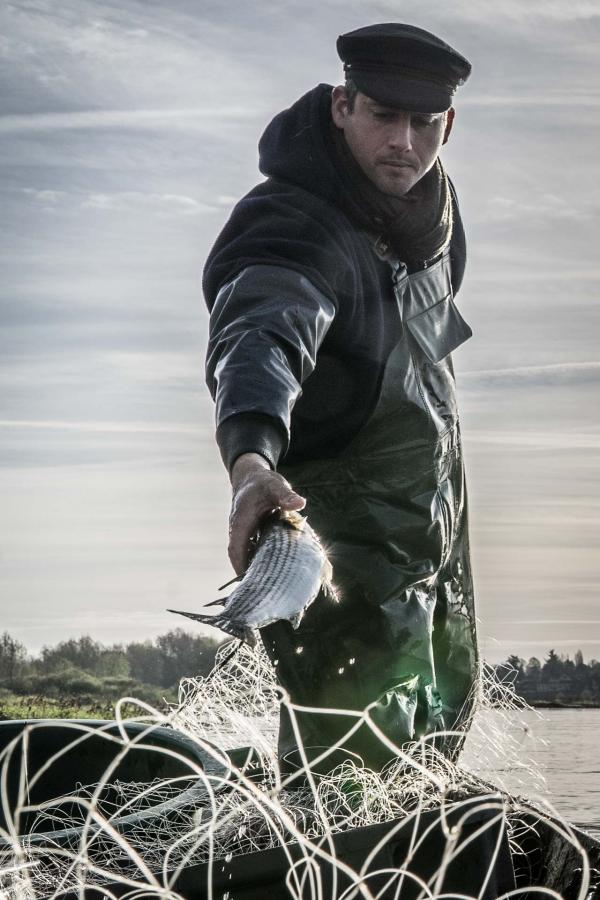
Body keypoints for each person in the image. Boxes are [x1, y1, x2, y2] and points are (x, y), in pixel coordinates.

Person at [203, 23, 478, 771]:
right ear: (341, 105)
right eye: (384, 115)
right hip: (341, 560)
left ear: (446, 124)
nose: (405, 143)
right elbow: (262, 333)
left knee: (435, 756)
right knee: (347, 775)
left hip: (438, 545)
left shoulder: (439, 217)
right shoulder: (292, 223)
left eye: (425, 125)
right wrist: (252, 461)